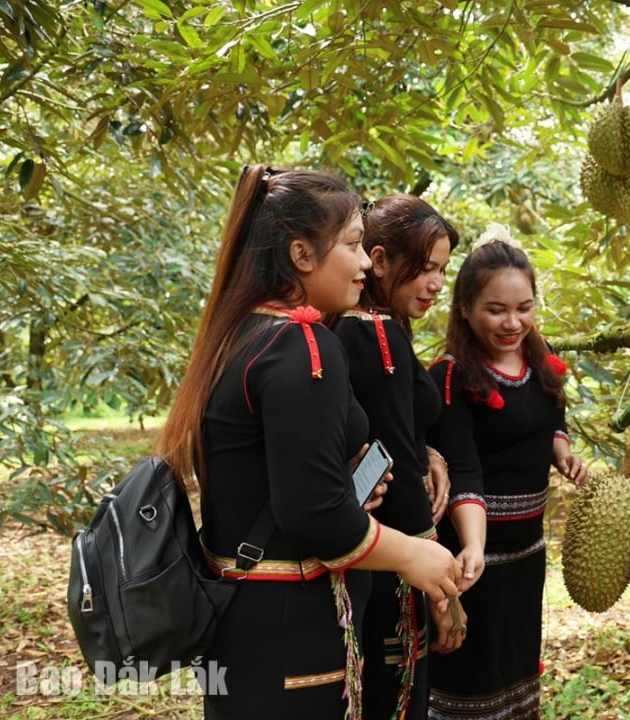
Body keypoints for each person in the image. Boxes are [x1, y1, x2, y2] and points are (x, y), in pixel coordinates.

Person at [154, 165, 461, 719]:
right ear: (301, 255)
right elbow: (314, 513)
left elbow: (277, 478)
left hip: (248, 617)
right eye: (352, 245)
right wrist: (416, 554)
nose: (367, 262)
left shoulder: (242, 331)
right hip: (292, 628)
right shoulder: (303, 346)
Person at [424, 226, 588, 720]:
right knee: (468, 673)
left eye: (524, 308)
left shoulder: (541, 362)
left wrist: (561, 451)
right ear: (466, 309)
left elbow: (550, 418)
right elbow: (463, 466)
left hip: (526, 553)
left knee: (514, 668)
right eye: (496, 310)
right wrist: (470, 549)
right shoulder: (450, 376)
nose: (512, 322)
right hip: (471, 558)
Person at [331, 194, 463, 719]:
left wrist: (427, 448)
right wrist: (438, 582)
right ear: (380, 260)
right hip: (394, 553)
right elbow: (396, 466)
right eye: (425, 269)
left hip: (372, 546)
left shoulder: (359, 327)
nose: (435, 284)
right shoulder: (375, 332)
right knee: (395, 690)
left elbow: (394, 433)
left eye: (442, 271)